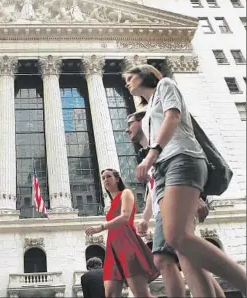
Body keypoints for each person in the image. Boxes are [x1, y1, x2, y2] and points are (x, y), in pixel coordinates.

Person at [123, 64, 246, 297]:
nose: (127, 81)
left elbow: (174, 117)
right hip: (163, 172)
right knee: (183, 249)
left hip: (182, 159)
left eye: (130, 77)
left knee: (177, 237)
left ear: (144, 75)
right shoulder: (147, 112)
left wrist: (151, 154)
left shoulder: (166, 85)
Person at [127, 111, 226, 298]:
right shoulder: (148, 153)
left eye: (130, 123)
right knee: (188, 258)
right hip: (163, 209)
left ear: (142, 122)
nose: (127, 129)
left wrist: (195, 197)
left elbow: (182, 172)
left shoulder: (162, 146)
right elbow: (153, 188)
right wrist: (145, 218)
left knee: (163, 258)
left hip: (173, 204)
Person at [85, 169, 159, 298]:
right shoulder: (112, 202)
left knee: (141, 294)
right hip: (111, 247)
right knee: (110, 295)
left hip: (127, 243)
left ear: (117, 179)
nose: (105, 180)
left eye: (109, 176)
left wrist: (101, 227)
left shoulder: (126, 193)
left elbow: (125, 217)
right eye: (103, 178)